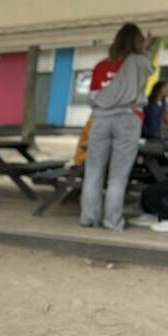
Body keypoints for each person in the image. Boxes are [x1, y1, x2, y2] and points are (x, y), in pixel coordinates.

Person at [80, 23, 153, 231]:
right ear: (137, 41)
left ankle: (89, 218)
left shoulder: (101, 66)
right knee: (118, 176)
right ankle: (112, 221)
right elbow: (147, 66)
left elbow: (92, 96)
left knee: (93, 172)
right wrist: (145, 48)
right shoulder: (139, 62)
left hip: (101, 120)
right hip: (128, 119)